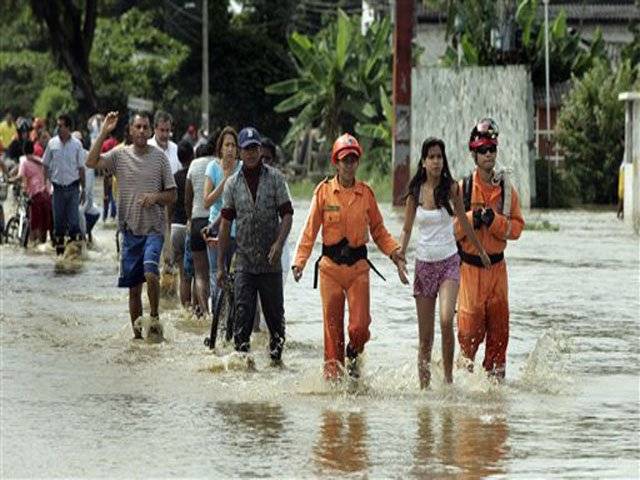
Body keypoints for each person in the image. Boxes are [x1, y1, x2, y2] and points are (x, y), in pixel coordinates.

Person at [292, 133, 405, 380]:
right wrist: (299, 262)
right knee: (332, 332)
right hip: (330, 269)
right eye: (345, 160)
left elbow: (379, 231)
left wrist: (395, 252)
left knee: (360, 327)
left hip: (358, 269)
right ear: (336, 162)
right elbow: (310, 230)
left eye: (353, 159)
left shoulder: (366, 194)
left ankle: (354, 352)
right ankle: (334, 385)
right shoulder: (323, 192)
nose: (349, 164)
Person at [397, 137, 490, 389]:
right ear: (424, 162)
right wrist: (400, 257)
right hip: (424, 265)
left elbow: (464, 221)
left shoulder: (452, 189)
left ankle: (448, 381)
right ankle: (424, 390)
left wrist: (480, 251)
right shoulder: (415, 191)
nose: (436, 162)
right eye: (432, 157)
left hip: (449, 262)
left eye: (440, 157)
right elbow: (406, 229)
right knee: (425, 338)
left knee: (447, 319)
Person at [85, 111, 177, 340]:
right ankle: (137, 339)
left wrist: (155, 197)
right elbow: (91, 161)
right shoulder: (119, 156)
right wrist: (104, 131)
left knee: (151, 273)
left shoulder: (159, 158)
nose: (142, 131)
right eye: (138, 127)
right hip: (129, 232)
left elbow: (173, 194)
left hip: (154, 230)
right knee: (134, 289)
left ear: (151, 130)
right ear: (131, 130)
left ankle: (154, 317)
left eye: (146, 127)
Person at [454, 118, 524, 380]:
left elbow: (517, 229)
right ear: (474, 153)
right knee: (469, 335)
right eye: (483, 150)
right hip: (470, 270)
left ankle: (496, 397)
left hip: (497, 269)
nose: (488, 155)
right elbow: (450, 230)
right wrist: (472, 218)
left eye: (492, 149)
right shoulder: (463, 188)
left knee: (499, 335)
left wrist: (495, 222)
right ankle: (463, 393)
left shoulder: (506, 190)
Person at [217, 127, 293, 366]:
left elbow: (287, 215)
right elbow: (225, 225)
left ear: (260, 150)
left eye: (254, 148)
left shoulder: (276, 179)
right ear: (239, 153)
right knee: (242, 321)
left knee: (275, 325)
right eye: (246, 149)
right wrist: (220, 265)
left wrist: (279, 244)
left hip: (270, 265)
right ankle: (243, 374)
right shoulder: (231, 185)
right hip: (245, 265)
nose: (250, 153)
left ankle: (276, 366)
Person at [203, 126, 241, 302]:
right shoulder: (213, 167)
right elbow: (207, 201)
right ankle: (217, 320)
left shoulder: (242, 168)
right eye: (227, 145)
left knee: (237, 277)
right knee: (215, 275)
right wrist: (225, 180)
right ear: (220, 148)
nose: (230, 149)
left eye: (233, 145)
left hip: (238, 231)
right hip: (216, 230)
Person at [42, 113, 85, 255]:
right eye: (57, 125)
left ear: (68, 128)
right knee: (58, 225)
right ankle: (60, 258)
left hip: (73, 188)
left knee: (74, 223)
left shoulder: (77, 145)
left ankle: (74, 259)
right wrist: (46, 184)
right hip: (58, 189)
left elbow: (81, 168)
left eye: (60, 126)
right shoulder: (52, 144)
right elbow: (45, 165)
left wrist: (83, 189)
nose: (57, 128)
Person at [185, 141, 216, 316]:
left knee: (200, 273)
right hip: (216, 222)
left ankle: (204, 312)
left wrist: (190, 219)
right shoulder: (219, 164)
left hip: (197, 221)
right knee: (217, 270)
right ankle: (219, 310)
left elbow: (187, 197)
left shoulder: (194, 165)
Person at [167, 140, 195, 308]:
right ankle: (197, 311)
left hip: (176, 228)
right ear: (192, 156)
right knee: (197, 274)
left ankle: (185, 308)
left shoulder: (174, 177)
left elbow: (168, 208)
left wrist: (167, 231)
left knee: (183, 274)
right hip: (191, 227)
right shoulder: (196, 175)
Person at [16, 140, 52, 244]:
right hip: (47, 194)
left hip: (36, 196)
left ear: (23, 150)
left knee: (34, 225)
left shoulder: (24, 162)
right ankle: (43, 246)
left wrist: (11, 180)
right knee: (44, 226)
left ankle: (33, 251)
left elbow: (21, 178)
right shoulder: (39, 160)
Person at [72, 131, 100, 244]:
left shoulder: (88, 158)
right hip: (70, 194)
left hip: (84, 198)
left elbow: (87, 187)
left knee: (78, 211)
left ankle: (83, 239)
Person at [148, 110, 181, 175]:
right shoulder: (146, 148)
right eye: (162, 130)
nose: (165, 135)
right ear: (155, 129)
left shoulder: (176, 149)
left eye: (167, 130)